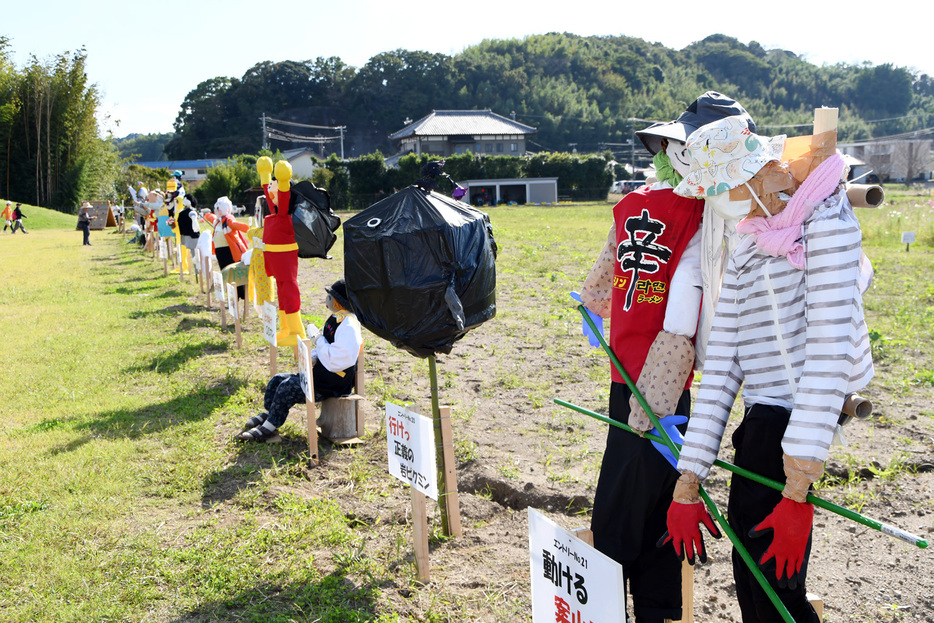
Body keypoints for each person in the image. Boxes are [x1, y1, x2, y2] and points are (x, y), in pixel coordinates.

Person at [665, 117, 873, 623]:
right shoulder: (749, 245)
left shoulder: (827, 226)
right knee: (752, 576)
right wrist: (687, 481)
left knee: (778, 593)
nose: (716, 202)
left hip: (809, 412)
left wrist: (797, 490)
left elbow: (829, 351)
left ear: (756, 179)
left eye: (721, 189)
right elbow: (721, 369)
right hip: (765, 414)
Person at [579, 93, 756, 623]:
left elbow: (604, 282)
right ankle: (624, 608)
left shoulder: (654, 207)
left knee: (641, 506)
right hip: (651, 381)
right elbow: (674, 307)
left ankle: (653, 610)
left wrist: (589, 304)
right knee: (627, 512)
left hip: (643, 374)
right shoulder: (694, 212)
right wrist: (654, 396)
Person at [239, 279, 363, 443]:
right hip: (321, 374)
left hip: (332, 382)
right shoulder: (337, 318)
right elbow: (327, 346)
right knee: (277, 380)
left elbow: (337, 360)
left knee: (287, 388)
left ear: (338, 301)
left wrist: (318, 340)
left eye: (330, 296)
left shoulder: (349, 327)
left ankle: (269, 428)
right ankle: (271, 415)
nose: (327, 300)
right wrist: (314, 354)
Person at [258, 157, 306, 346]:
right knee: (281, 289)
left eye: (275, 183)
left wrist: (283, 180)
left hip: (284, 257)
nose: (271, 186)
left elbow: (283, 194)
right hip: (275, 258)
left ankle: (296, 330)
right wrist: (265, 176)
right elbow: (269, 196)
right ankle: (286, 328)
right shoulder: (275, 211)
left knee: (289, 289)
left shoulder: (285, 211)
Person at [204, 196, 249, 300]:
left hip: (229, 251)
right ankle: (232, 295)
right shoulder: (218, 221)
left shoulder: (228, 220)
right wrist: (206, 215)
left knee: (233, 273)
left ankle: (239, 294)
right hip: (220, 252)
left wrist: (244, 227)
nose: (218, 210)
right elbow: (211, 218)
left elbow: (235, 225)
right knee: (225, 272)